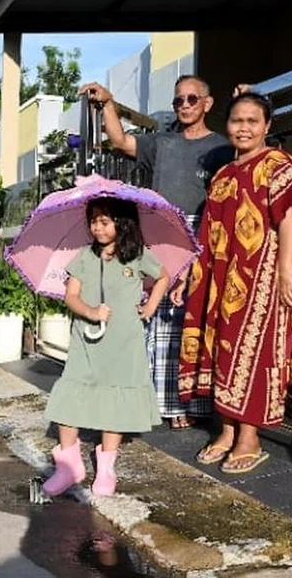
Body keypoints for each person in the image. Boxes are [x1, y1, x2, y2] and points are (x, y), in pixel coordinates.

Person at [77, 76, 235, 430]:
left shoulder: (223, 148)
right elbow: (119, 140)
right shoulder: (161, 142)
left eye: (192, 99)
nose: (185, 105)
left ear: (207, 103)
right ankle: (167, 403)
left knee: (199, 318)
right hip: (163, 232)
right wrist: (107, 102)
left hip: (206, 234)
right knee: (163, 321)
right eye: (179, 100)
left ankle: (199, 403)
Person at [178, 92, 292, 474]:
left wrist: (285, 273)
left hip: (260, 276)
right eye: (237, 120)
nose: (244, 127)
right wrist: (188, 272)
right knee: (221, 350)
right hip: (219, 278)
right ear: (227, 125)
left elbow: (288, 220)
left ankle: (249, 436)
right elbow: (207, 231)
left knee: (252, 355)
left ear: (267, 126)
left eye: (253, 121)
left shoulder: (278, 166)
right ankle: (227, 428)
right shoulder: (222, 175)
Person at [42, 197, 170, 498]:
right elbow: (71, 295)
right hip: (87, 339)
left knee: (116, 397)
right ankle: (69, 464)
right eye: (93, 221)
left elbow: (163, 277)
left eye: (104, 221)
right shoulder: (84, 256)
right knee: (70, 396)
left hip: (124, 341)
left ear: (121, 222)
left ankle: (107, 465)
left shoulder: (136, 255)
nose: (97, 228)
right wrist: (90, 311)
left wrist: (150, 305)